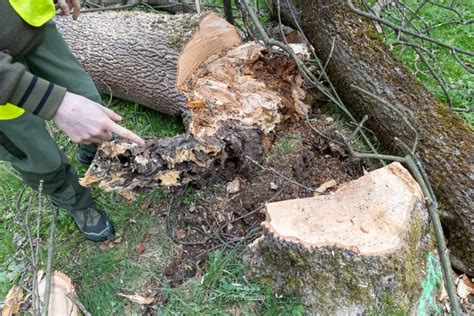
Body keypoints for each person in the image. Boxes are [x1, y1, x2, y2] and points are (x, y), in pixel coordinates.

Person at [0, 0, 145, 242]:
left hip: (30, 26)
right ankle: (76, 202)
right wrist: (54, 103)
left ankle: (93, 154)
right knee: (40, 158)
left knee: (87, 98)